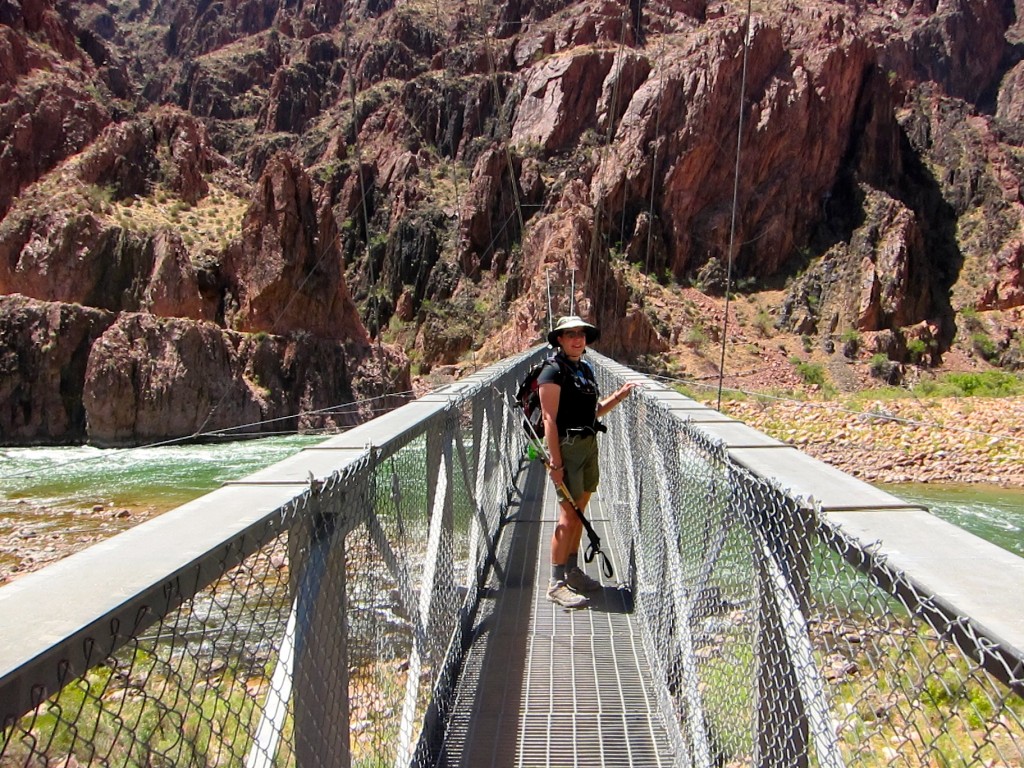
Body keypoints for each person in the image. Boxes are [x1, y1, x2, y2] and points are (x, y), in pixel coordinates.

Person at [538, 315, 638, 608]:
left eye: (580, 334)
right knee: (567, 516)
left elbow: (592, 412)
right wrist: (556, 464)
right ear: (559, 339)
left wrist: (619, 396)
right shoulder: (551, 372)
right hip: (566, 450)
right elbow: (549, 419)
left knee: (581, 510)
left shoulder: (585, 369)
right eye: (570, 334)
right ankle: (555, 583)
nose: (577, 339)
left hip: (588, 446)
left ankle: (572, 570)